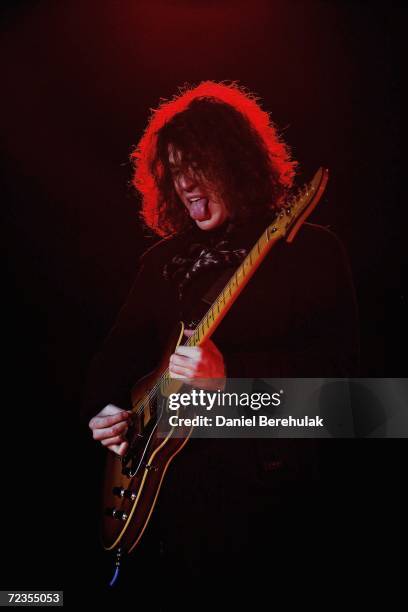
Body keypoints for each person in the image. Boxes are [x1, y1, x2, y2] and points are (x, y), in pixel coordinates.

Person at [84, 81, 359, 595]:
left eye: (197, 165)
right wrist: (103, 413)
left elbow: (353, 399)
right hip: (162, 512)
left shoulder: (309, 251)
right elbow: (111, 364)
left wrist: (230, 382)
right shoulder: (160, 263)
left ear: (237, 163)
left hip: (267, 516)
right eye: (174, 169)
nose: (184, 182)